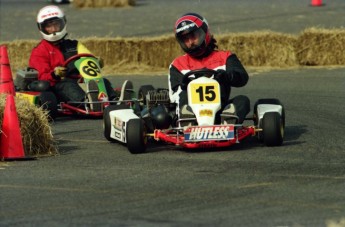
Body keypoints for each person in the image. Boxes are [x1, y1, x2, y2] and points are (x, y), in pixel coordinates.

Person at [29, 5, 132, 105]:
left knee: (101, 81)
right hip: (58, 86)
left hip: (81, 82)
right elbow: (42, 76)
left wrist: (96, 61)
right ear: (42, 28)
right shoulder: (39, 51)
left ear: (62, 23)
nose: (53, 29)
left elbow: (88, 59)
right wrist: (54, 74)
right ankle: (87, 102)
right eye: (49, 26)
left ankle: (115, 99)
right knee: (66, 85)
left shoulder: (74, 45)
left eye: (56, 24)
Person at [168, 12, 250, 125]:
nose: (190, 42)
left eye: (193, 36)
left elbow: (242, 78)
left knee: (242, 100)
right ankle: (188, 123)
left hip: (219, 113)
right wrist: (188, 85)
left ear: (204, 32)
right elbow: (175, 95)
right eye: (185, 39)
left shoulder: (225, 57)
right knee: (181, 96)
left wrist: (228, 76)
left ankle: (228, 121)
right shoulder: (178, 64)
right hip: (191, 113)